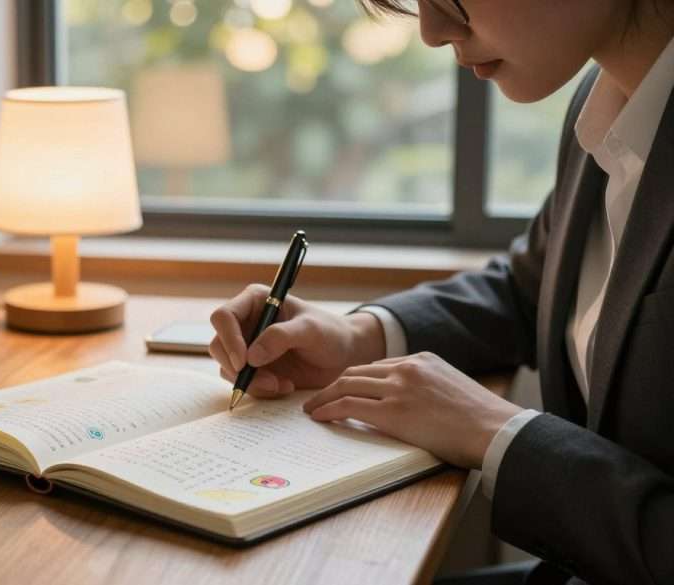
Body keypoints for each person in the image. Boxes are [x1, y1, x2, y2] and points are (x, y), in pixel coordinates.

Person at [208, 1, 674, 583]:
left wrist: (497, 433)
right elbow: (527, 289)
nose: (432, 32)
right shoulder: (604, 101)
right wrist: (359, 336)